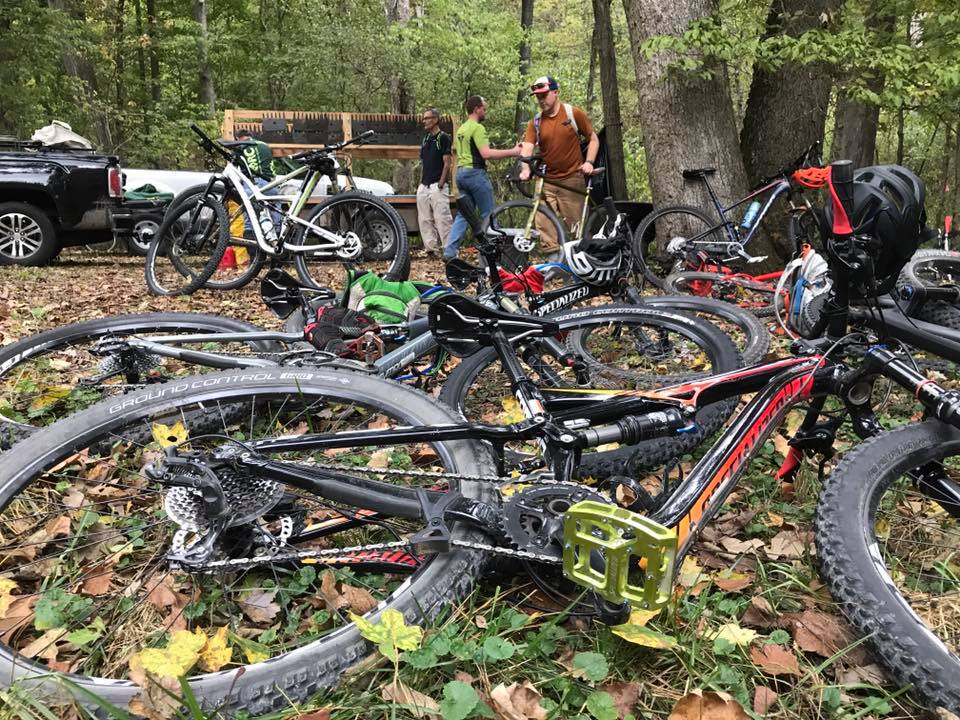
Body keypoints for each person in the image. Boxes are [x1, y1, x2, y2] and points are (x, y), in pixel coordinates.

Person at [519, 75, 600, 258]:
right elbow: (528, 147)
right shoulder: (536, 122)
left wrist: (589, 162)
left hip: (572, 180)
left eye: (544, 95)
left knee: (576, 227)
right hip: (546, 180)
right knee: (544, 222)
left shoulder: (573, 114)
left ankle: (581, 263)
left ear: (555, 93)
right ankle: (554, 264)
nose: (541, 100)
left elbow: (593, 139)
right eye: (538, 97)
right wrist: (525, 169)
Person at [445, 95, 522, 261]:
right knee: (490, 215)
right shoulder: (477, 128)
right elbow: (486, 154)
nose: (485, 111)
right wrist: (513, 151)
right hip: (475, 175)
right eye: (484, 108)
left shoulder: (461, 129)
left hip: (461, 174)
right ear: (476, 109)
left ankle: (449, 252)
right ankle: (496, 257)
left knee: (464, 215)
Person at [416, 108, 453, 257]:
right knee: (424, 218)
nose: (424, 121)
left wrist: (441, 183)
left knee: (442, 218)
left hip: (438, 184)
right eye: (423, 118)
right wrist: (421, 184)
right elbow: (424, 162)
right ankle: (431, 249)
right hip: (424, 185)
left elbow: (447, 162)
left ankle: (449, 250)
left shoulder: (443, 138)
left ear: (436, 119)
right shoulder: (426, 139)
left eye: (427, 118)